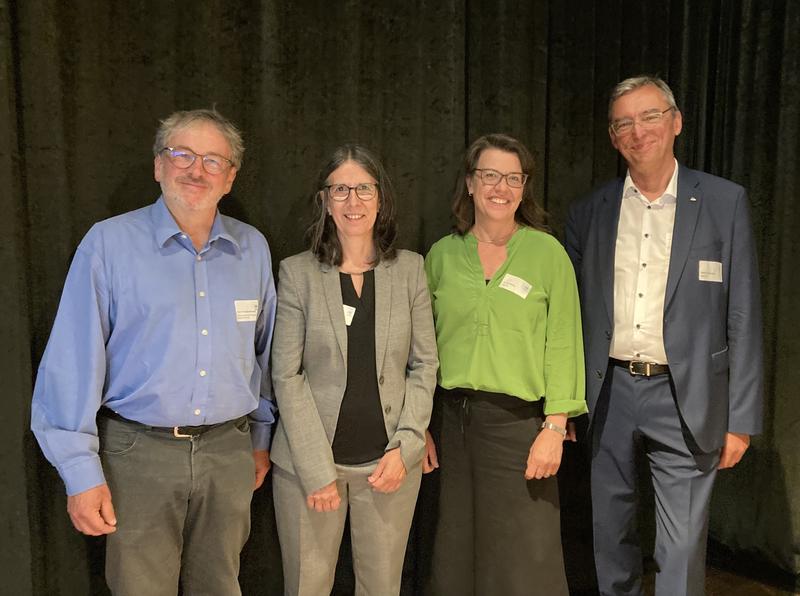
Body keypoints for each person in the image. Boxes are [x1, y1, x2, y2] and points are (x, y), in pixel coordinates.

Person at [31, 109, 276, 595]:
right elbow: (72, 363)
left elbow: (265, 354)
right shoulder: (109, 244)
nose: (195, 169)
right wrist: (80, 473)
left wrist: (260, 439)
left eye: (212, 160)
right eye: (181, 154)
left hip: (229, 454)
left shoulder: (253, 249)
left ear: (230, 177)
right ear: (158, 166)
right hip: (137, 455)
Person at [565, 75, 763, 595]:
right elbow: (570, 317)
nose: (637, 131)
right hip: (608, 393)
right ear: (612, 137)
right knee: (611, 534)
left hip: (686, 394)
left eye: (650, 116)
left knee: (679, 547)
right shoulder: (590, 212)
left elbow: (742, 313)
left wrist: (740, 419)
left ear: (675, 122)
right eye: (623, 122)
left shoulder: (724, 202)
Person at [270, 144, 438, 596]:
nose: (353, 201)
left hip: (388, 467)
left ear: (380, 197)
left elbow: (424, 365)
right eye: (340, 189)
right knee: (308, 586)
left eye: (363, 188)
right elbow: (286, 375)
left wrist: (406, 447)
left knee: (382, 587)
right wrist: (315, 468)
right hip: (311, 468)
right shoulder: (297, 274)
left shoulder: (410, 270)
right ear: (325, 200)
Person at [423, 133, 588, 596]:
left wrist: (554, 427)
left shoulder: (546, 253)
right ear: (470, 184)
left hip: (521, 428)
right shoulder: (441, 256)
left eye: (513, 178)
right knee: (457, 552)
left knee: (523, 558)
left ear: (524, 187)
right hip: (453, 423)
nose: (501, 187)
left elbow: (564, 342)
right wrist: (419, 426)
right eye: (490, 175)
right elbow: (420, 350)